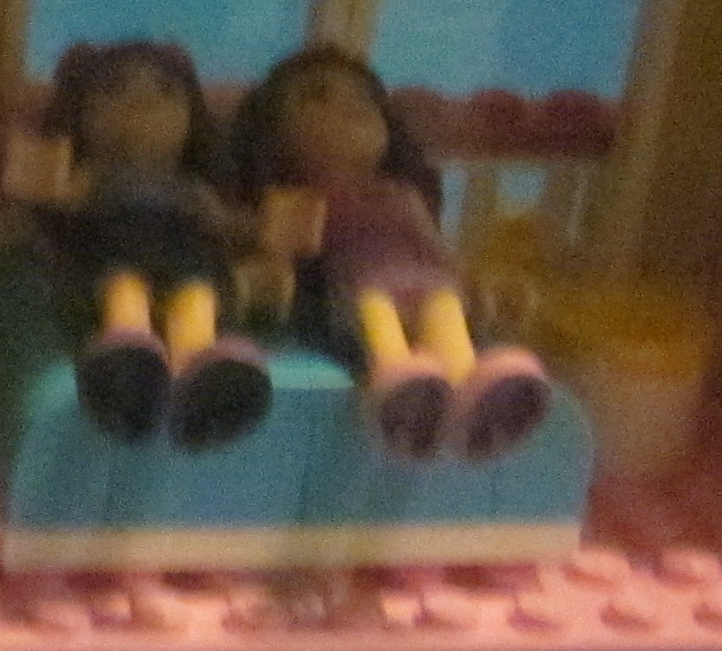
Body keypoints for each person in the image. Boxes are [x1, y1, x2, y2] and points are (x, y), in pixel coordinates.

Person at [224, 44, 549, 459]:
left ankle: (471, 383)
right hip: (355, 290)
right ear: (274, 133)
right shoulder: (297, 202)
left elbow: (437, 249)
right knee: (374, 311)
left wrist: (476, 284)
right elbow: (280, 267)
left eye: (364, 97)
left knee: (444, 308)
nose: (350, 106)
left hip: (425, 280)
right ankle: (398, 376)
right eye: (318, 96)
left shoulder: (401, 196)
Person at [4, 39, 273, 449]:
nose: (142, 103)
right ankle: (127, 343)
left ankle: (197, 357)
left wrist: (260, 228)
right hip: (115, 247)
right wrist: (40, 176)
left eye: (165, 91)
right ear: (79, 111)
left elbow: (224, 222)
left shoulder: (192, 188)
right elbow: (50, 200)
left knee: (197, 291)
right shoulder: (92, 176)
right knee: (122, 282)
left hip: (187, 255)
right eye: (113, 89)